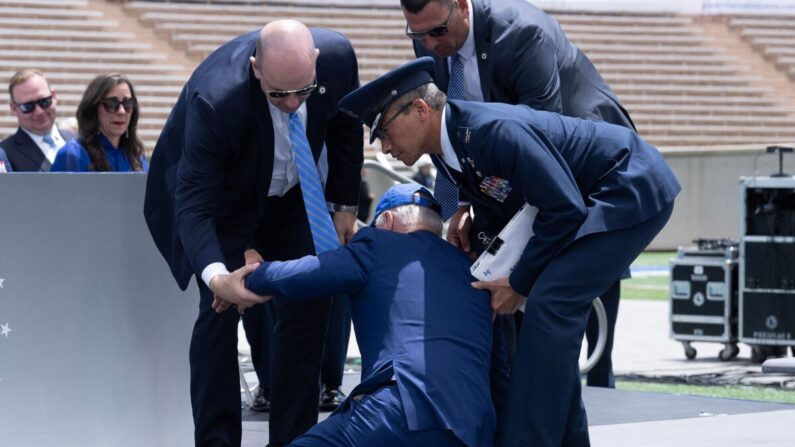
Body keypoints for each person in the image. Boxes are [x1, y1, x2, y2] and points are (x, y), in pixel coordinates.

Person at [337, 58, 680, 447]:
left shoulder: (490, 131)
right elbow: (503, 199)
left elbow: (564, 208)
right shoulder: (448, 149)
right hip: (586, 197)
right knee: (543, 311)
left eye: (384, 131)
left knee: (551, 301)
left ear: (420, 110)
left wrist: (518, 281)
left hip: (627, 184)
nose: (383, 146)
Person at [142, 20, 363, 446]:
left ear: (316, 62)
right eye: (279, 93)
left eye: (304, 91)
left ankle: (295, 438)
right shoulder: (216, 99)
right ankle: (217, 439)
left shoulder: (337, 58)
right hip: (222, 196)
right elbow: (195, 203)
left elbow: (346, 126)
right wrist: (218, 275)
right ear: (256, 68)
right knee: (219, 311)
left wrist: (344, 207)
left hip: (292, 193)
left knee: (309, 299)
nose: (293, 103)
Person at [401, 0, 635, 386]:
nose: (428, 44)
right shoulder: (431, 38)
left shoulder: (522, 33)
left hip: (584, 152)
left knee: (582, 255)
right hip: (505, 157)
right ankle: (532, 382)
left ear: (461, 5)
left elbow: (542, 138)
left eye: (437, 31)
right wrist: (462, 202)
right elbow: (451, 128)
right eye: (417, 34)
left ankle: (596, 378)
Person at [219, 183, 499, 447]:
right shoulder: (473, 271)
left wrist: (241, 282)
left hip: (398, 408)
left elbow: (307, 273)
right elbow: (499, 371)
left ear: (387, 220)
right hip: (472, 428)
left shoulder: (376, 244)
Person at [51, 74, 147, 172]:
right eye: (111, 104)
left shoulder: (137, 157)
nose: (121, 111)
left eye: (128, 103)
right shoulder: (72, 154)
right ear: (93, 108)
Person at [0, 69, 75, 171]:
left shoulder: (82, 142)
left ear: (53, 96)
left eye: (44, 101)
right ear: (14, 109)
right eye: (28, 106)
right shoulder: (5, 153)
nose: (39, 111)